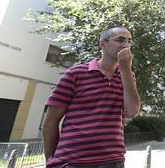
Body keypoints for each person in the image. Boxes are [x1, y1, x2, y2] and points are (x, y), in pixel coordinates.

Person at [43, 26, 141, 168]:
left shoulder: (128, 76)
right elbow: (50, 122)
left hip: (113, 160)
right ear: (103, 44)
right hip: (72, 161)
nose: (126, 45)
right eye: (120, 40)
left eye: (129, 41)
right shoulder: (75, 74)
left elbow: (132, 111)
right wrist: (50, 160)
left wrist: (125, 70)